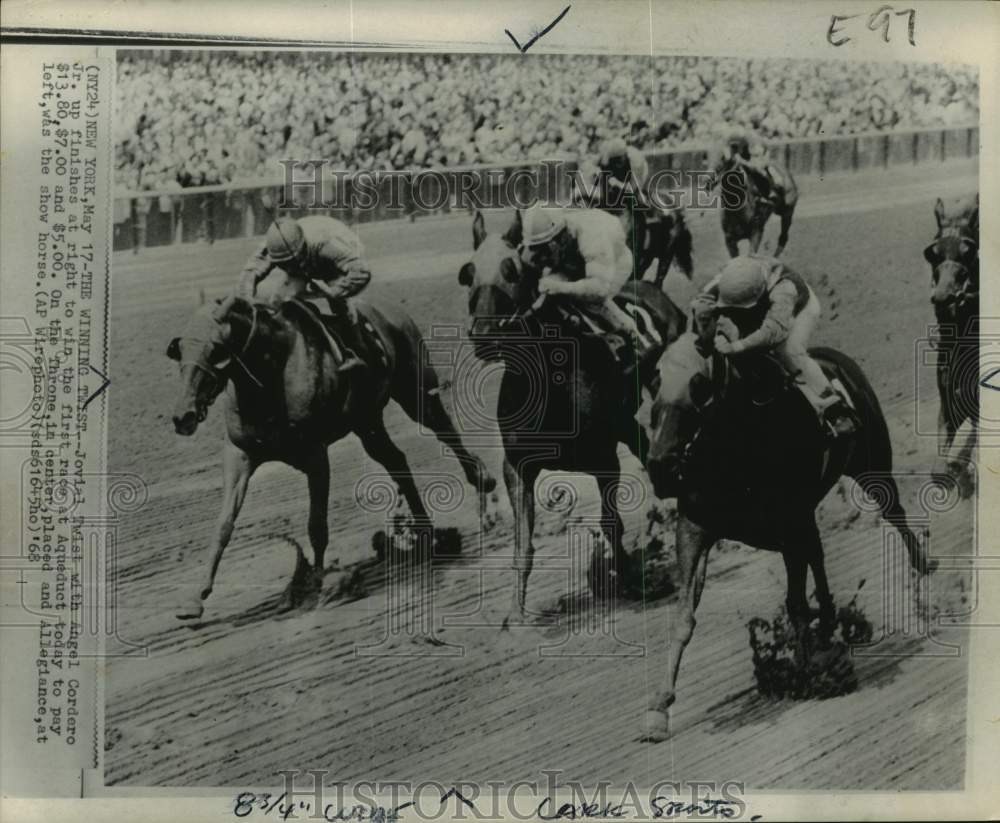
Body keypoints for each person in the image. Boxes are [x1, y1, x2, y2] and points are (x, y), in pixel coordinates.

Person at [691, 254, 857, 438]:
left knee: (789, 351)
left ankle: (836, 409)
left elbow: (774, 332)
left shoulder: (784, 289)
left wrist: (736, 346)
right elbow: (701, 305)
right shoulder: (728, 280)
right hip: (755, 306)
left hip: (798, 308)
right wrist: (704, 330)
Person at [237, 215, 371, 372]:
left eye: (293, 260)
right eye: (284, 264)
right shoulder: (272, 246)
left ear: (303, 247)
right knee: (277, 299)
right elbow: (248, 276)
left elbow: (361, 272)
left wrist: (332, 291)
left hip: (338, 256)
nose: (291, 267)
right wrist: (246, 303)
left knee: (340, 304)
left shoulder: (326, 245)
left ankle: (356, 351)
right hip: (309, 254)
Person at [518, 205, 653, 356]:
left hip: (615, 264)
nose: (543, 257)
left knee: (591, 302)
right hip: (579, 259)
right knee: (548, 287)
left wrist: (559, 287)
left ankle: (633, 335)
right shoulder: (559, 233)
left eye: (545, 250)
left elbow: (599, 289)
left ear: (559, 238)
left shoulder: (591, 236)